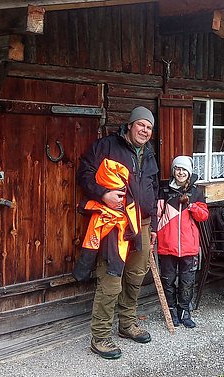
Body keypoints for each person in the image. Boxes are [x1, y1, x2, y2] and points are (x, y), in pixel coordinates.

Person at [75, 106, 159, 360]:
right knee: (111, 279)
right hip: (115, 223)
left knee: (135, 275)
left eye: (149, 127)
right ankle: (100, 337)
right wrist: (103, 194)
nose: (144, 130)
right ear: (131, 125)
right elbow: (84, 173)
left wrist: (152, 225)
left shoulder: (150, 153)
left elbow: (153, 189)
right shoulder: (107, 146)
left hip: (142, 224)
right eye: (141, 125)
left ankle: (127, 324)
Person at [156, 156, 209, 328]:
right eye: (178, 169)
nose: (181, 172)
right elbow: (157, 215)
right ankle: (171, 310)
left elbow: (204, 216)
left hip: (189, 245)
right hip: (167, 244)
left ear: (189, 172)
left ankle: (185, 311)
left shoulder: (196, 191)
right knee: (168, 279)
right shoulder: (164, 190)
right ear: (173, 171)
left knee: (187, 281)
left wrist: (191, 205)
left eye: (184, 170)